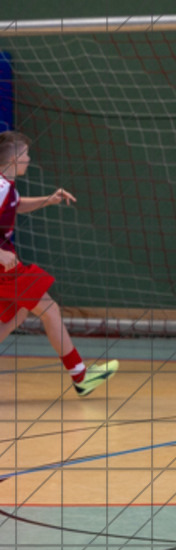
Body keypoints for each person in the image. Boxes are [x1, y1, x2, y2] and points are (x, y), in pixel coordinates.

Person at [0, 131, 118, 396]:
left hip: (7, 266)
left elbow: (16, 205)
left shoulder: (7, 188)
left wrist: (47, 200)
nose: (29, 159)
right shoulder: (1, 187)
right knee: (49, 309)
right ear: (15, 158)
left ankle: (80, 375)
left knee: (16, 315)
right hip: (3, 268)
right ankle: (81, 375)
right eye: (26, 154)